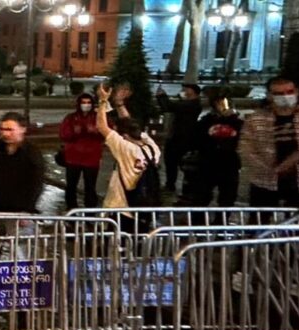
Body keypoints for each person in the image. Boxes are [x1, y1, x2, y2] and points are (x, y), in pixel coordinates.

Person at [238, 76, 299, 210]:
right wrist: (269, 169)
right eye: (279, 93)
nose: (285, 96)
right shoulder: (255, 120)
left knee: (298, 223)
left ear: (297, 92)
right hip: (263, 182)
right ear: (269, 96)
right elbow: (245, 150)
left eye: (289, 92)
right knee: (260, 222)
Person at [96, 85, 161, 231]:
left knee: (116, 246)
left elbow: (101, 126)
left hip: (121, 207)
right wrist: (119, 104)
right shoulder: (152, 148)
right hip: (144, 206)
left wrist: (102, 101)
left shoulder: (126, 149)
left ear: (124, 136)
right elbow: (129, 123)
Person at [179, 90, 243, 209]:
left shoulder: (237, 122)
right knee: (202, 196)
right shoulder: (206, 121)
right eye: (219, 103)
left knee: (227, 197)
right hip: (208, 163)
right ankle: (199, 221)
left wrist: (231, 118)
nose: (222, 106)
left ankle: (222, 221)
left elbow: (243, 138)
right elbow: (195, 139)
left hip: (229, 163)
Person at [0, 112, 45, 214]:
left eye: (10, 130)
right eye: (2, 129)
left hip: (19, 207)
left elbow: (36, 183)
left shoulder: (32, 152)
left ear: (23, 129)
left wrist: (28, 209)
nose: (5, 134)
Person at [156, 83, 202, 192]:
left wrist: (162, 96)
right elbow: (167, 107)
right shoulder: (186, 103)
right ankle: (170, 184)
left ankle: (186, 188)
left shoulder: (193, 105)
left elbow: (170, 106)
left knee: (182, 164)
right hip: (175, 137)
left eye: (187, 89)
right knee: (170, 163)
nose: (185, 91)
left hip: (184, 139)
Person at [59, 92, 102, 209]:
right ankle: (71, 210)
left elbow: (108, 133)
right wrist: (74, 132)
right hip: (73, 159)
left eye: (88, 102)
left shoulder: (99, 117)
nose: (86, 105)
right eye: (83, 102)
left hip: (92, 159)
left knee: (90, 187)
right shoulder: (71, 118)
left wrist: (95, 131)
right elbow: (63, 134)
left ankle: (90, 214)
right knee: (71, 187)